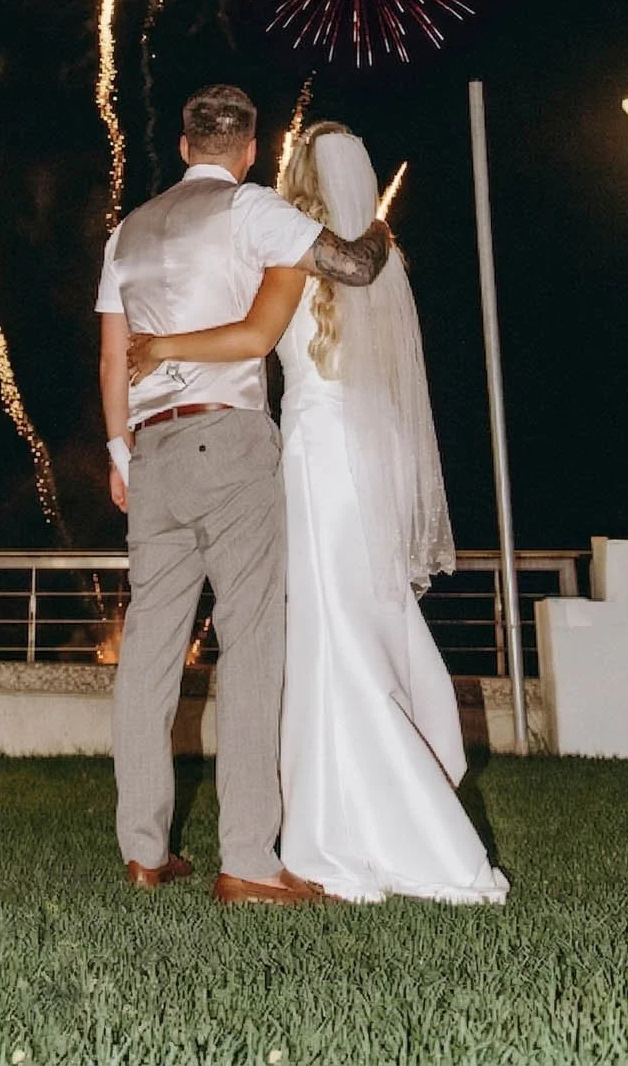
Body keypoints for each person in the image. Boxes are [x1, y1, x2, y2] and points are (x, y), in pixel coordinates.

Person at [128, 120, 509, 906]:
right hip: (373, 450)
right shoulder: (380, 254)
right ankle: (349, 810)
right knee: (359, 620)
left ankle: (339, 824)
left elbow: (254, 336)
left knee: (316, 631)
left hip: (312, 451)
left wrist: (163, 347)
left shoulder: (289, 254)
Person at [96, 87, 393, 905]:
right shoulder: (254, 210)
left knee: (149, 659)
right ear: (248, 150)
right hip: (226, 441)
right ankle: (248, 860)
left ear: (184, 144)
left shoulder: (129, 229)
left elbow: (111, 356)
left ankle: (143, 852)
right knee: (252, 647)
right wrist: (378, 226)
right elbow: (356, 267)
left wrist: (122, 454)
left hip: (151, 451)